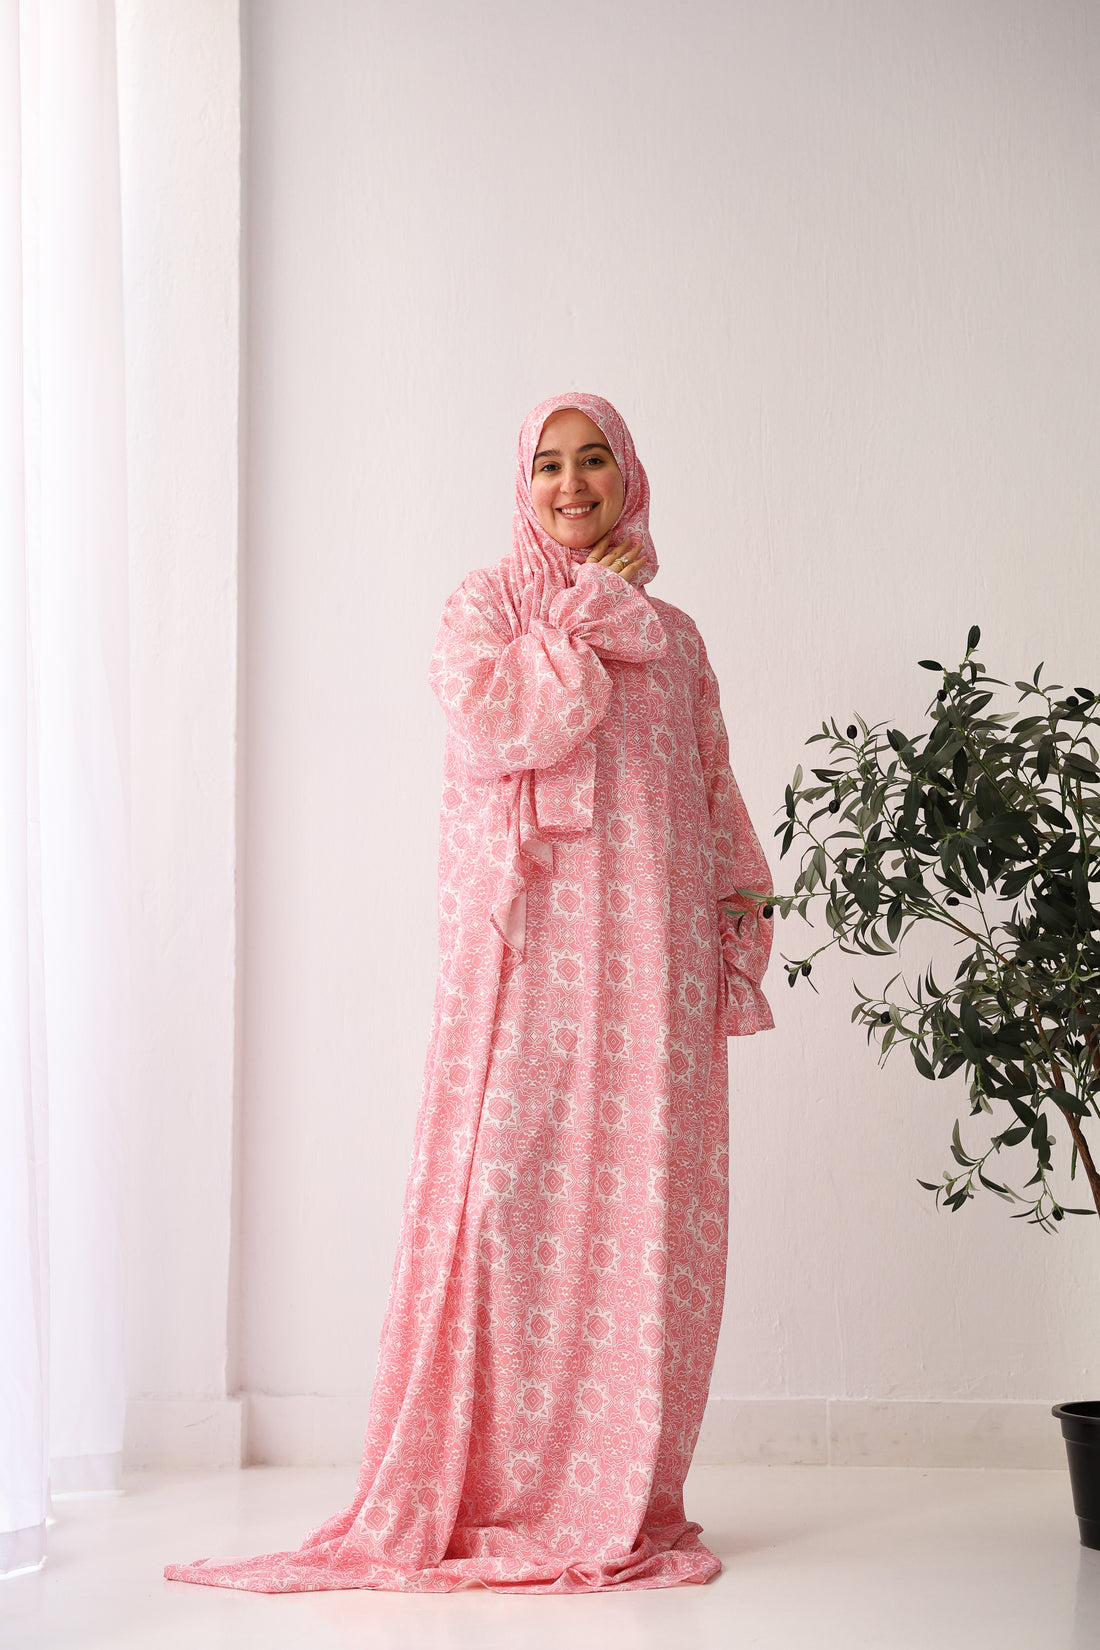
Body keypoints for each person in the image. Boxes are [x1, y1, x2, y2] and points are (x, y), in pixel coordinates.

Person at [165, 391, 774, 1596]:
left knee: (643, 1221)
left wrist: (732, 927)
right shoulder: (484, 608)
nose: (570, 484)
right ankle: (493, 1488)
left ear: (629, 476)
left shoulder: (678, 637)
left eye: (592, 460)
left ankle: (616, 1489)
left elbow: (711, 793)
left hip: (648, 976)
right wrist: (586, 611)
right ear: (522, 483)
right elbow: (507, 727)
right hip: (527, 964)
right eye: (547, 464)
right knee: (500, 1208)